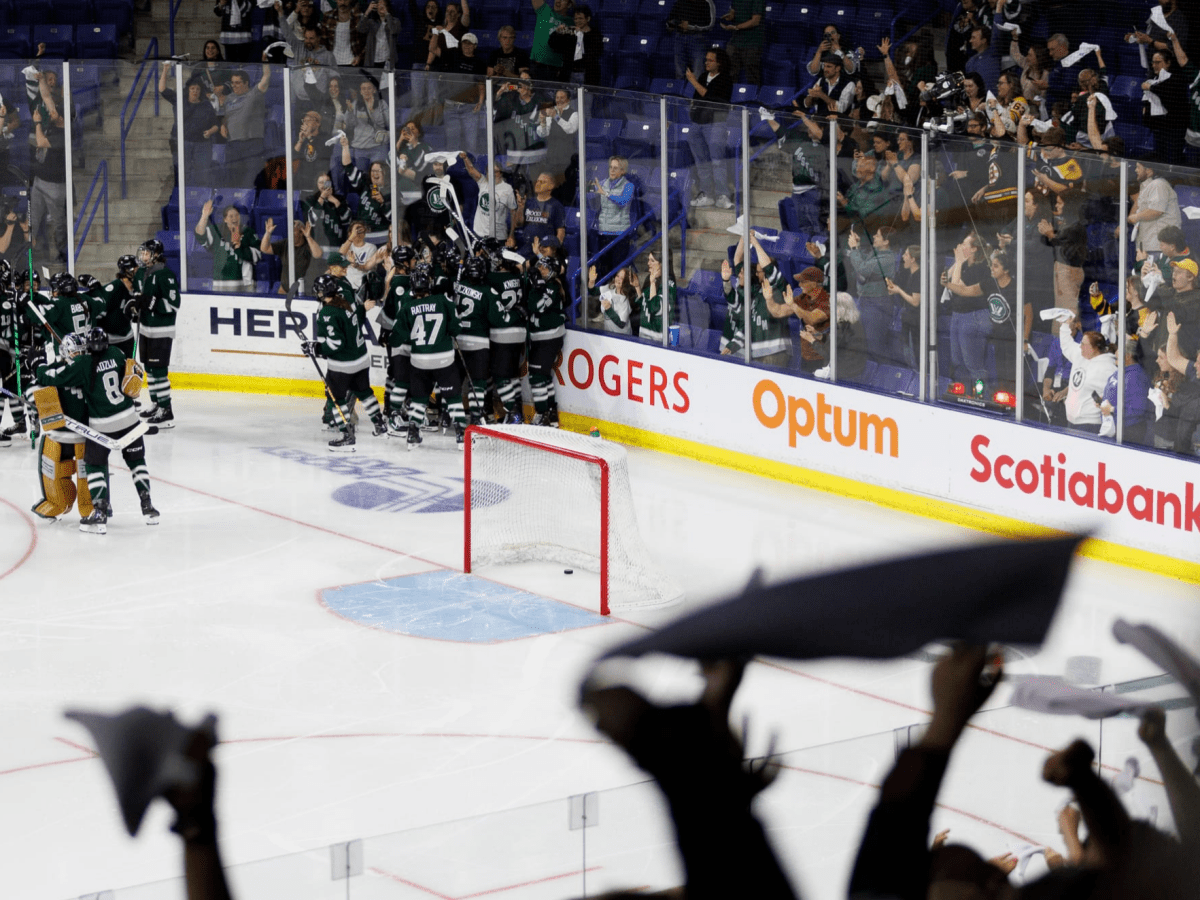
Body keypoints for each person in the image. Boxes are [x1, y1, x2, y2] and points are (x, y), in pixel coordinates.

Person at [37, 327, 159, 533]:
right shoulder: (118, 354)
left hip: (103, 427)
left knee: (93, 465)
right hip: (130, 420)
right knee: (137, 463)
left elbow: (51, 378)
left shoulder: (83, 364)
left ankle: (100, 512)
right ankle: (148, 507)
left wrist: (39, 366)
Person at [302, 273, 386, 452]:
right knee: (364, 392)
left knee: (336, 400)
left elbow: (335, 345)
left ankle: (346, 435)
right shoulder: (346, 298)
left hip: (343, 366)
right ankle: (380, 424)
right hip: (361, 359)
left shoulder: (327, 312)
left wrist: (315, 349)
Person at [393, 262, 467, 448]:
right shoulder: (443, 301)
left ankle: (413, 434)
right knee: (453, 397)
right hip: (444, 359)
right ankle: (460, 435)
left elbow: (397, 338)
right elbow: (455, 329)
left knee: (419, 399)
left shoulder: (407, 307)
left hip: (419, 361)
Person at [133, 239, 182, 428]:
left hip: (161, 331)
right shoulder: (141, 274)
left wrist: (151, 303)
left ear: (156, 255)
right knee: (150, 369)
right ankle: (156, 403)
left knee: (159, 370)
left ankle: (166, 409)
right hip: (146, 329)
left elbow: (173, 305)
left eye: (146, 253)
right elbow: (140, 300)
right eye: (142, 252)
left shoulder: (165, 275)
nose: (143, 256)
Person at [685, 48, 733, 210]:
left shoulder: (725, 80)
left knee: (717, 161)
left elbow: (709, 96)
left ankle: (722, 195)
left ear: (719, 62)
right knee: (701, 161)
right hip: (697, 123)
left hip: (715, 124)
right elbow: (698, 98)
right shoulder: (703, 76)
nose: (706, 62)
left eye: (710, 60)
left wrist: (692, 81)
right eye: (706, 59)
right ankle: (706, 194)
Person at [158, 64, 219, 188]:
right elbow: (162, 89)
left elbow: (216, 124)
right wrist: (165, 69)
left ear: (200, 91)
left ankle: (200, 199)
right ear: (188, 90)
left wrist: (210, 132)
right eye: (192, 88)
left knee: (202, 175)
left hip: (201, 145)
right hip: (181, 142)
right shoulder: (179, 100)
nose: (195, 91)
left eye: (197, 89)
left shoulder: (206, 105)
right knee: (181, 174)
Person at [485, 243, 526, 423]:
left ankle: (513, 412)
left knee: (500, 376)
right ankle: (518, 411)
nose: (494, 262)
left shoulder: (492, 278)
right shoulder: (518, 276)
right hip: (519, 332)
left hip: (502, 333)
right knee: (511, 375)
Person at [452, 253, 496, 424]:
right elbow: (494, 318)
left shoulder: (457, 286)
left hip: (458, 341)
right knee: (477, 382)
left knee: (455, 382)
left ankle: (453, 418)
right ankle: (476, 417)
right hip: (479, 343)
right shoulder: (488, 291)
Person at [1057, 319, 1117, 434]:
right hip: (1071, 420)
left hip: (1090, 424)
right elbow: (1067, 345)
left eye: (1084, 344)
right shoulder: (1080, 355)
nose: (1080, 347)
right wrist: (1064, 325)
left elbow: (1116, 393)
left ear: (1095, 348)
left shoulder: (1108, 367)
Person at [525, 254, 566, 426]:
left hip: (548, 338)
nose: (541, 270)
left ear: (553, 272)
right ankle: (551, 414)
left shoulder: (552, 287)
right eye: (540, 266)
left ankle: (542, 414)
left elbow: (537, 306)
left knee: (536, 377)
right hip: (545, 337)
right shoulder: (547, 285)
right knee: (544, 376)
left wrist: (535, 287)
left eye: (545, 268)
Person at [433, 32, 487, 159]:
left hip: (469, 107)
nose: (467, 46)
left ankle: (472, 170)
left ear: (475, 46)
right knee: (452, 144)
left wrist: (480, 101)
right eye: (464, 43)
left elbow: (481, 83)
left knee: (471, 143)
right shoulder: (452, 56)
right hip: (451, 106)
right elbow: (433, 49)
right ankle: (453, 170)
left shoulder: (479, 62)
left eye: (470, 44)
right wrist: (435, 32)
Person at [215, 66, 271, 188]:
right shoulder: (229, 98)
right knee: (232, 179)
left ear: (246, 83)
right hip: (233, 145)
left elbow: (266, 78)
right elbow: (227, 116)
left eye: (237, 83)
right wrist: (223, 125)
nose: (234, 85)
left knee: (250, 180)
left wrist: (265, 63)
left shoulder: (254, 93)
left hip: (252, 144)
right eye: (232, 83)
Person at [194, 201, 262, 293]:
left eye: (237, 215)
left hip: (244, 283)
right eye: (231, 216)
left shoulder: (248, 232)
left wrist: (239, 248)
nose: (234, 218)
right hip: (221, 282)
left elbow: (258, 254)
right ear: (225, 219)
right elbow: (200, 235)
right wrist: (204, 216)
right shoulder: (217, 231)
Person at [341, 136, 392, 245]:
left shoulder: (392, 192)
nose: (375, 174)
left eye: (378, 171)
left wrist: (383, 203)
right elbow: (348, 167)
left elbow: (394, 218)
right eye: (373, 171)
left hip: (382, 239)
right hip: (362, 238)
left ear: (385, 173)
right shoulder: (365, 184)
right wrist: (345, 146)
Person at [592, 156, 635, 278]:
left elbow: (623, 201)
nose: (612, 170)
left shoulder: (628, 186)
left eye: (615, 168)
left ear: (623, 171)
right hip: (603, 232)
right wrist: (587, 187)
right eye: (611, 167)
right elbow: (588, 191)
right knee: (604, 269)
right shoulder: (603, 183)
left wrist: (606, 193)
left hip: (619, 234)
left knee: (617, 270)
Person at [461, 153, 517, 245]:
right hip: (479, 234)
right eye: (489, 171)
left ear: (501, 173)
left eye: (495, 171)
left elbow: (513, 213)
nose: (492, 174)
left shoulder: (507, 189)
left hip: (498, 236)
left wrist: (511, 235)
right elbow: (471, 170)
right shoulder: (483, 182)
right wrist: (465, 158)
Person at [260, 218, 323, 294]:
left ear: (301, 233)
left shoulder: (308, 245)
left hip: (304, 291)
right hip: (285, 289)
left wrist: (308, 236)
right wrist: (268, 233)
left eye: (293, 231)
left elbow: (318, 254)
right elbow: (264, 249)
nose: (290, 234)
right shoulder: (285, 243)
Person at [302, 171, 352, 255]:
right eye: (321, 182)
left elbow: (347, 220)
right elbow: (311, 221)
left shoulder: (340, 199)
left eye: (327, 182)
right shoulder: (311, 200)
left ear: (331, 183)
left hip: (339, 247)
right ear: (316, 184)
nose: (324, 185)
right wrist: (322, 198)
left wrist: (336, 202)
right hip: (318, 248)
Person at [514, 171, 565, 254]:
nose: (538, 184)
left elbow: (560, 232)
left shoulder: (556, 205)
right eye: (537, 181)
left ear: (551, 186)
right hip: (526, 248)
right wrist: (520, 207)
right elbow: (518, 223)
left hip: (543, 250)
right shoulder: (528, 202)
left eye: (542, 182)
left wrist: (553, 252)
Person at [719, 0, 764, 86]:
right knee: (729, 72)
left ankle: (752, 97)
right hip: (735, 41)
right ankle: (729, 96)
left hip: (752, 42)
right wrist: (730, 16)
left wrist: (736, 27)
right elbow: (733, 12)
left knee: (752, 75)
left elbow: (755, 21)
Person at [667, 0, 715, 80]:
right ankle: (679, 91)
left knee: (698, 71)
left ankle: (696, 91)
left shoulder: (706, 2)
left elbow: (710, 24)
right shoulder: (680, 2)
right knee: (680, 72)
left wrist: (690, 26)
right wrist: (675, 24)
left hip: (698, 39)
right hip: (680, 37)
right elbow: (671, 18)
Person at [637, 250, 676, 345]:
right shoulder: (649, 278)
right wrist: (637, 286)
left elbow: (654, 308)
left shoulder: (669, 283)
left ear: (662, 264)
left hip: (658, 339)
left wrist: (653, 283)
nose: (648, 263)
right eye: (648, 260)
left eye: (652, 260)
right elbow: (642, 305)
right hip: (643, 333)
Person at [529, 0, 573, 82]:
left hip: (556, 69)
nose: (558, 1)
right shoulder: (545, 10)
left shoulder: (572, 22)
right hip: (536, 66)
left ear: (569, 4)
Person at [358, 0, 402, 68]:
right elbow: (360, 29)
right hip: (372, 60)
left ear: (388, 7)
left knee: (390, 78)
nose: (381, 7)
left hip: (388, 61)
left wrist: (387, 14)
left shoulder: (395, 21)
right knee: (372, 78)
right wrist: (367, 11)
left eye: (383, 5)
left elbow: (393, 30)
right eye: (379, 5)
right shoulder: (371, 22)